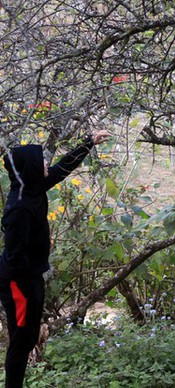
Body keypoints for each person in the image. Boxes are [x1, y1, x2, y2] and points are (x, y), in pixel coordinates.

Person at [0, 130, 111, 387]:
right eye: (42, 163)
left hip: (32, 276)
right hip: (18, 282)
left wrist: (88, 143)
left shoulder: (32, 187)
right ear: (31, 170)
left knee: (27, 339)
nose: (46, 165)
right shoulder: (18, 208)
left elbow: (61, 169)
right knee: (21, 342)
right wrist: (29, 287)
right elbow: (15, 257)